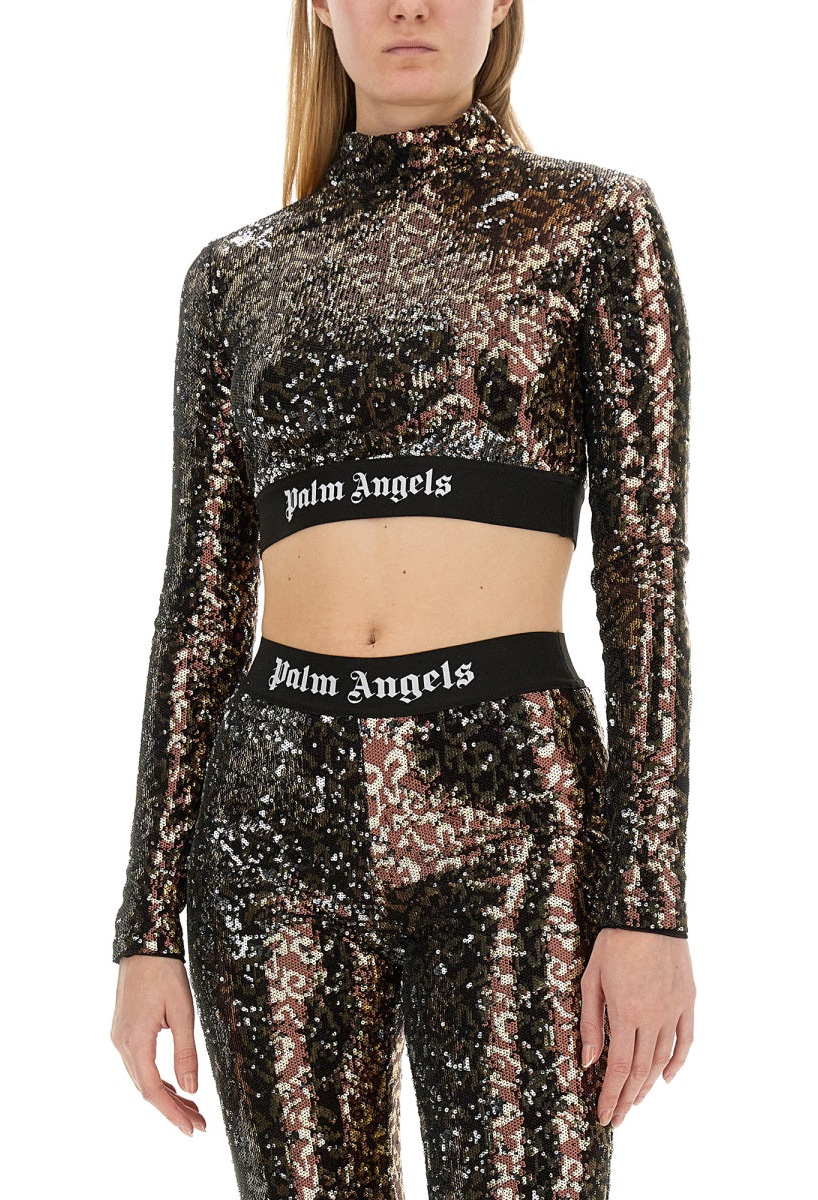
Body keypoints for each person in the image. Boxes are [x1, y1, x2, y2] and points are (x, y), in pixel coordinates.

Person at [110, 1, 697, 1196]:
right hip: (271, 818)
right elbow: (201, 606)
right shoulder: (236, 276)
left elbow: (646, 578)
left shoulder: (592, 224)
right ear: (320, 5)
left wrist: (651, 903)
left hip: (515, 812)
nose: (410, 6)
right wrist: (145, 925)